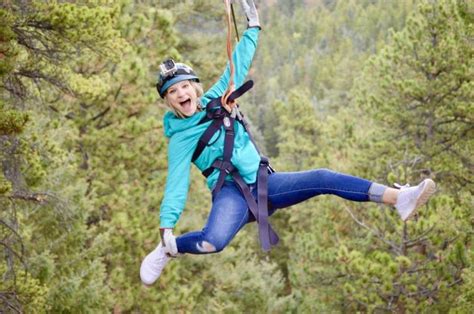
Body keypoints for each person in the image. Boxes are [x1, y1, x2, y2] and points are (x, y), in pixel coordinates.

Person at [140, 0, 436, 286]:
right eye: (172, 92)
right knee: (212, 242)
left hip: (263, 182)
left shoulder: (217, 98)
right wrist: (167, 227)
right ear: (168, 101)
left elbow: (238, 63)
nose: (180, 93)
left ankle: (400, 199)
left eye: (183, 87)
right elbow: (176, 182)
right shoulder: (179, 138)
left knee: (323, 177)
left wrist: (253, 27)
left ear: (194, 88)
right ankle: (169, 249)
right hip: (230, 193)